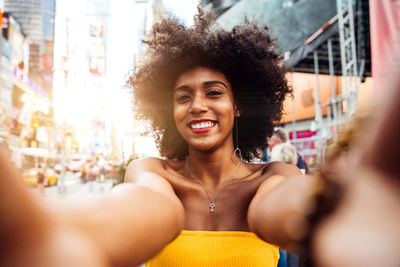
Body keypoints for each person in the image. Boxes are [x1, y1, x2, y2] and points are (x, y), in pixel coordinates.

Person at [1, 9, 400, 267]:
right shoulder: (152, 174)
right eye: (182, 97)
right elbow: (140, 209)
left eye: (214, 92)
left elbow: (284, 205)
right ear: (168, 111)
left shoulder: (272, 178)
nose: (197, 106)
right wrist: (62, 239)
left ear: (239, 105)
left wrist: (336, 215)